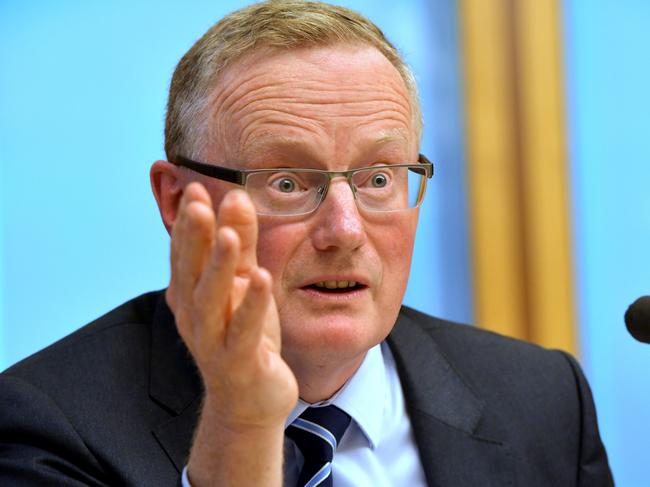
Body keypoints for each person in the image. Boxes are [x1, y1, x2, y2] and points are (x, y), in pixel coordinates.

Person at [0, 1, 613, 486]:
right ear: (178, 202)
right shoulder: (46, 427)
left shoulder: (544, 398)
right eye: (289, 183)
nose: (345, 231)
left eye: (378, 179)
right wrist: (243, 423)